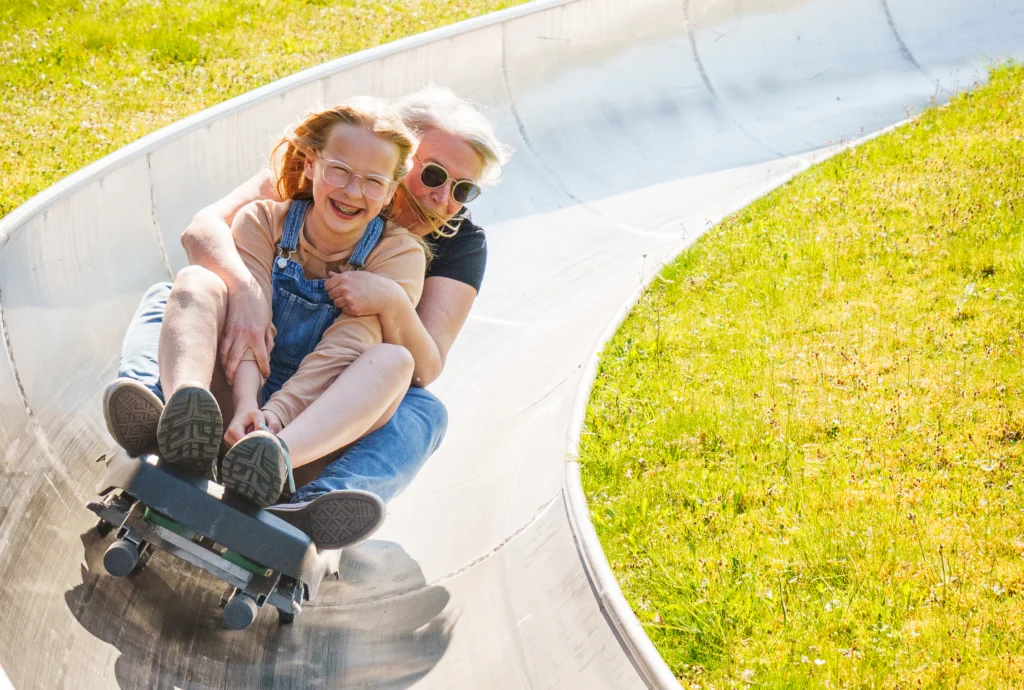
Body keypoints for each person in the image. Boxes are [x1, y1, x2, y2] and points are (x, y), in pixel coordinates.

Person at [105, 87, 511, 549]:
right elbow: (202, 231)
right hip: (240, 359)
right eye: (434, 174)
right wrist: (248, 294)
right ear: (404, 154)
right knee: (180, 291)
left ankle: (312, 499)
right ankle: (164, 410)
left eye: (463, 190)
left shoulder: (439, 248)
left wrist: (391, 302)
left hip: (330, 406)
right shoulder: (321, 174)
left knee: (424, 410)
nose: (442, 198)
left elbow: (424, 365)